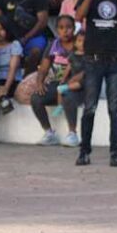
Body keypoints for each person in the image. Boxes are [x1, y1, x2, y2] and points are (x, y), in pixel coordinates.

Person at [74, 0, 117, 167]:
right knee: (90, 107)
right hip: (93, 59)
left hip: (114, 59)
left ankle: (115, 152)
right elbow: (78, 16)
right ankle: (84, 151)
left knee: (114, 109)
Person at [30, 15, 82, 146]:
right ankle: (49, 133)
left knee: (68, 96)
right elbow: (44, 68)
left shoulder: (80, 43)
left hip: (77, 85)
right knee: (36, 98)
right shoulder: (53, 45)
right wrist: (39, 83)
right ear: (57, 30)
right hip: (58, 84)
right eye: (61, 28)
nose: (65, 31)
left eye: (69, 27)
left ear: (74, 29)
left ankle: (72, 134)